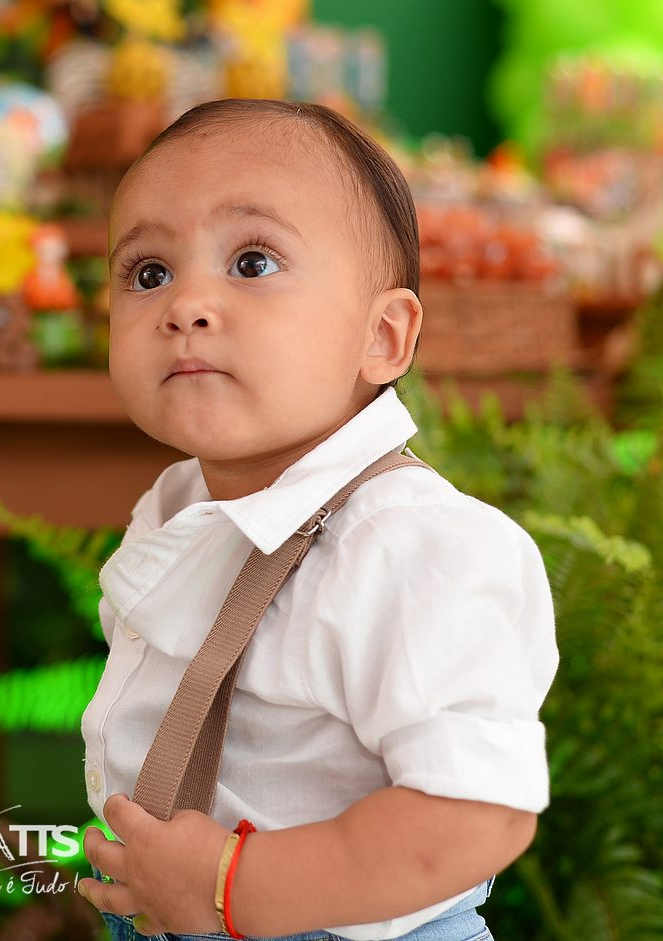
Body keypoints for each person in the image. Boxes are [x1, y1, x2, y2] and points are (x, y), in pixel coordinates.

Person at [74, 98, 558, 941]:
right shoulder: (178, 503)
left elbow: (476, 813)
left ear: (383, 336)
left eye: (252, 262)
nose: (185, 304)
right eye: (148, 272)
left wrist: (233, 886)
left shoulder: (410, 546)